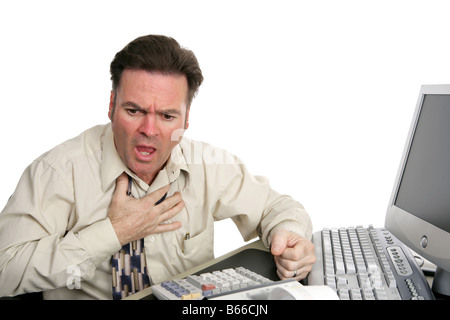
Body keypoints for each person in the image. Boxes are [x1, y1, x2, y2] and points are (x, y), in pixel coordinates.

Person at [0, 35, 315, 299]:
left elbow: (278, 206)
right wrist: (113, 232)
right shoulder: (57, 171)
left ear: (186, 118)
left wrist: (289, 237)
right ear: (111, 106)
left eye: (167, 116)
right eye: (134, 110)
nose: (149, 130)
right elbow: (4, 269)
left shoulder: (206, 164)